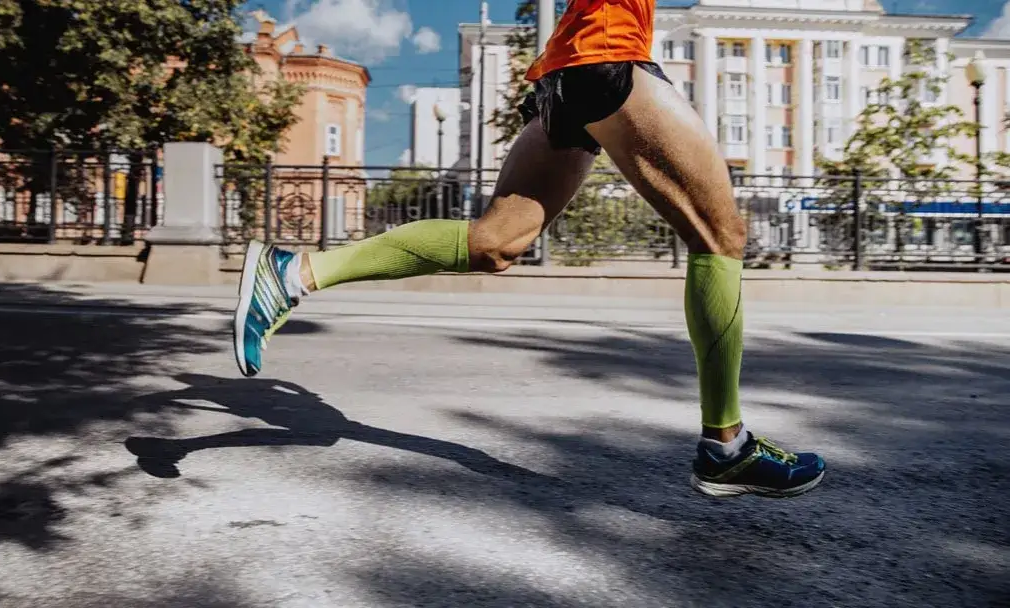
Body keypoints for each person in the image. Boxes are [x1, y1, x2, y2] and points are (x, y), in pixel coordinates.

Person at [232, 0, 825, 499]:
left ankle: (293, 273)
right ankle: (726, 446)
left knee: (496, 242)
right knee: (720, 239)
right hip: (608, 55)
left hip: (568, 75)